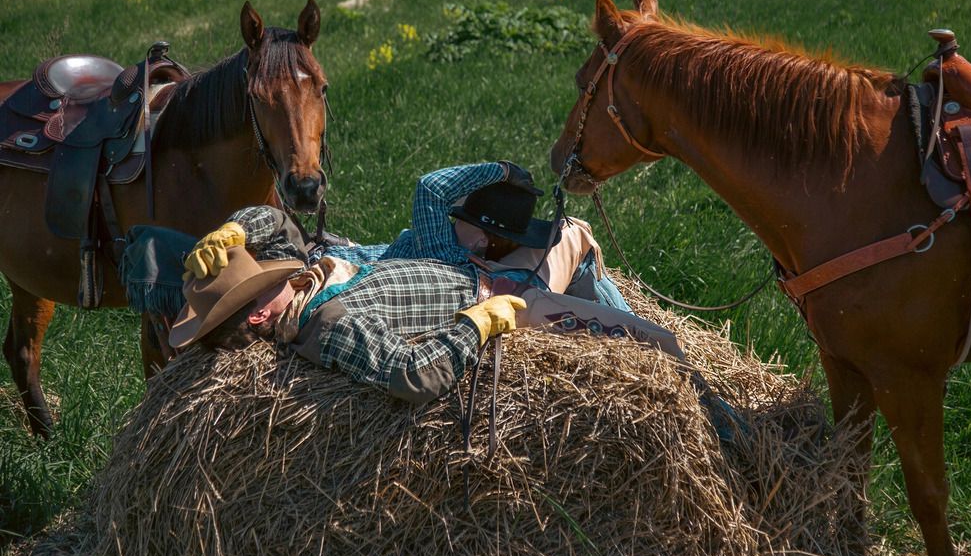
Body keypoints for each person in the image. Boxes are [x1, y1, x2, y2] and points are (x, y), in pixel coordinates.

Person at [139, 205, 685, 405]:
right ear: (259, 314)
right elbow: (410, 374)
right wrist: (477, 325)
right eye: (258, 278)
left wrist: (236, 228)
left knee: (552, 230)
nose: (271, 266)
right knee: (575, 236)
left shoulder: (304, 289)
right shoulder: (328, 323)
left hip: (477, 272)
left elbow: (279, 225)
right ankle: (697, 390)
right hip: (509, 299)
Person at [298, 161, 632, 312]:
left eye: (465, 220)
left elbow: (430, 188)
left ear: (482, 240)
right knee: (579, 249)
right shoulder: (480, 264)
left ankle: (632, 326)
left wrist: (502, 170)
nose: (454, 218)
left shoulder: (443, 253)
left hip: (313, 266)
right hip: (340, 258)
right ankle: (631, 324)